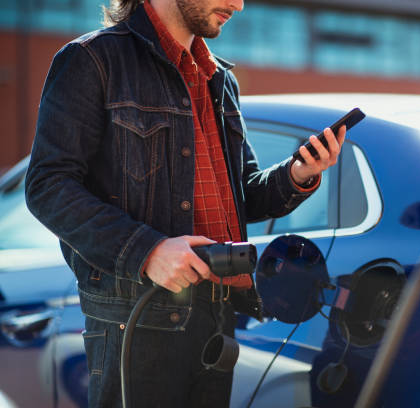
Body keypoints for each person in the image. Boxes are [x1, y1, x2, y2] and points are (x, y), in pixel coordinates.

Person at [25, 0, 345, 406]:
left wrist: (299, 173)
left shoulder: (220, 79)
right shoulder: (92, 61)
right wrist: (147, 251)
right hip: (139, 323)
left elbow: (241, 194)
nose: (239, 5)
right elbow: (47, 186)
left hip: (217, 323)